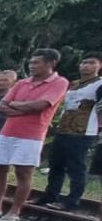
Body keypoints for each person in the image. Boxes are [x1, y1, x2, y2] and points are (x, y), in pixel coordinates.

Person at [0, 49, 70, 221]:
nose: (32, 66)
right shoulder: (21, 83)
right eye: (31, 63)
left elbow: (41, 105)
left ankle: (14, 211)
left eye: (36, 63)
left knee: (24, 172)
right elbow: (1, 107)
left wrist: (17, 105)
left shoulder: (60, 83)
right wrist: (25, 107)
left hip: (31, 135)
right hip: (7, 132)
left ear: (50, 63)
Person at [34, 53, 101, 210]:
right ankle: (50, 195)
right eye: (83, 62)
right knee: (56, 164)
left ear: (99, 66)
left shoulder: (99, 85)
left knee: (76, 167)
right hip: (64, 129)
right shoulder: (74, 84)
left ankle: (72, 201)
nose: (85, 66)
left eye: (91, 63)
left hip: (83, 131)